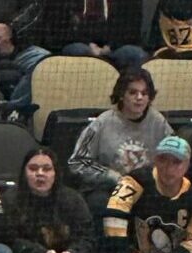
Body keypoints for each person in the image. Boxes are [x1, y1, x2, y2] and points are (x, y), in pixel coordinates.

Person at [68, 68, 171, 198]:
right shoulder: (102, 123)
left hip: (148, 190)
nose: (139, 98)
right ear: (122, 94)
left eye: (144, 93)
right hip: (109, 190)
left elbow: (177, 157)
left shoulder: (159, 122)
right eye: (133, 92)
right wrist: (111, 176)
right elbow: (77, 162)